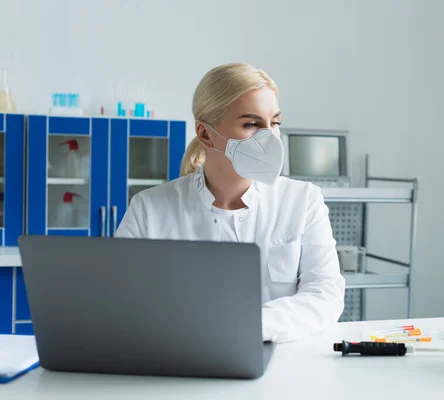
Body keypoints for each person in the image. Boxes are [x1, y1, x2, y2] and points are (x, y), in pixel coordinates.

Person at [115, 63, 346, 343]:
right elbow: (122, 299)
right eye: (251, 124)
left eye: (274, 123)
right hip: (181, 361)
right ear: (205, 134)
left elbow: (325, 294)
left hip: (280, 367)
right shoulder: (149, 209)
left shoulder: (303, 200)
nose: (269, 137)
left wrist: (249, 325)